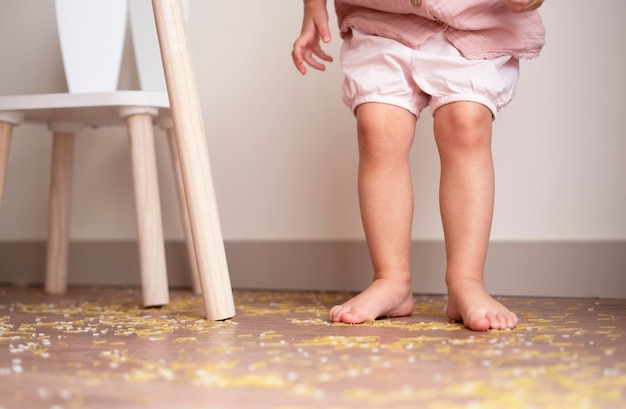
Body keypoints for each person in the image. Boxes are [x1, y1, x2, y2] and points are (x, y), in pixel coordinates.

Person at [291, 0, 545, 331]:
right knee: (378, 128)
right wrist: (314, 5)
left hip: (472, 21)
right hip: (382, 17)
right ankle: (390, 278)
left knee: (465, 123)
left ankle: (466, 280)